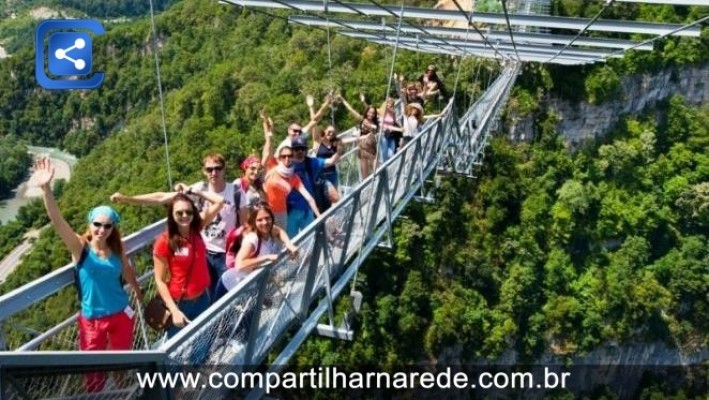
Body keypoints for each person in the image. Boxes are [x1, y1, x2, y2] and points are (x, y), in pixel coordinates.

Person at [32, 158, 141, 392]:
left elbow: (128, 272)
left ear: (113, 228)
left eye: (107, 226)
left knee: (121, 367)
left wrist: (139, 292)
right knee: (93, 374)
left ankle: (122, 396)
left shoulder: (117, 249)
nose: (101, 230)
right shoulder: (80, 248)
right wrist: (46, 189)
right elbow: (59, 223)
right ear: (90, 224)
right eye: (97, 224)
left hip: (121, 315)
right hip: (92, 321)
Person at [152, 190, 224, 363]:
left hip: (202, 298)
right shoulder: (164, 241)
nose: (185, 216)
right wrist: (174, 311)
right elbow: (159, 281)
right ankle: (172, 386)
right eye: (179, 212)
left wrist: (195, 191)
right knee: (175, 349)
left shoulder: (196, 229)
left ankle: (193, 374)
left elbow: (219, 201)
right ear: (171, 214)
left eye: (189, 212)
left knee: (202, 339)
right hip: (180, 303)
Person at [286, 135, 340, 237]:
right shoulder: (286, 165)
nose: (300, 151)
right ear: (292, 150)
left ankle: (327, 239)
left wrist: (339, 151)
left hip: (309, 208)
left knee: (310, 238)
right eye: (297, 149)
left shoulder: (310, 162)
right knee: (292, 240)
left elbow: (331, 161)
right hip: (292, 210)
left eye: (302, 148)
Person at [339, 94, 380, 179]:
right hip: (363, 149)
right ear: (366, 112)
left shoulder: (376, 122)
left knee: (377, 172)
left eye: (373, 113)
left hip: (372, 149)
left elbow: (376, 127)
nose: (371, 114)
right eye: (369, 112)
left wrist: (363, 101)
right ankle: (367, 191)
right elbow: (351, 110)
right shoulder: (363, 120)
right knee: (365, 175)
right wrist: (343, 100)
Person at [235, 154, 268, 226]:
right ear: (245, 168)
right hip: (246, 226)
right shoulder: (238, 183)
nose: (256, 172)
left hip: (259, 225)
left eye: (259, 169)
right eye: (252, 168)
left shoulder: (258, 185)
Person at [379, 97, 404, 161]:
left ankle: (390, 169)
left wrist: (401, 128)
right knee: (384, 154)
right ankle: (384, 169)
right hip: (383, 135)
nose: (389, 105)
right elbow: (369, 109)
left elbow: (394, 122)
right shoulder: (380, 111)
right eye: (388, 103)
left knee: (391, 154)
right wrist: (363, 102)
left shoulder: (393, 113)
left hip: (391, 134)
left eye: (391, 104)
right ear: (385, 104)